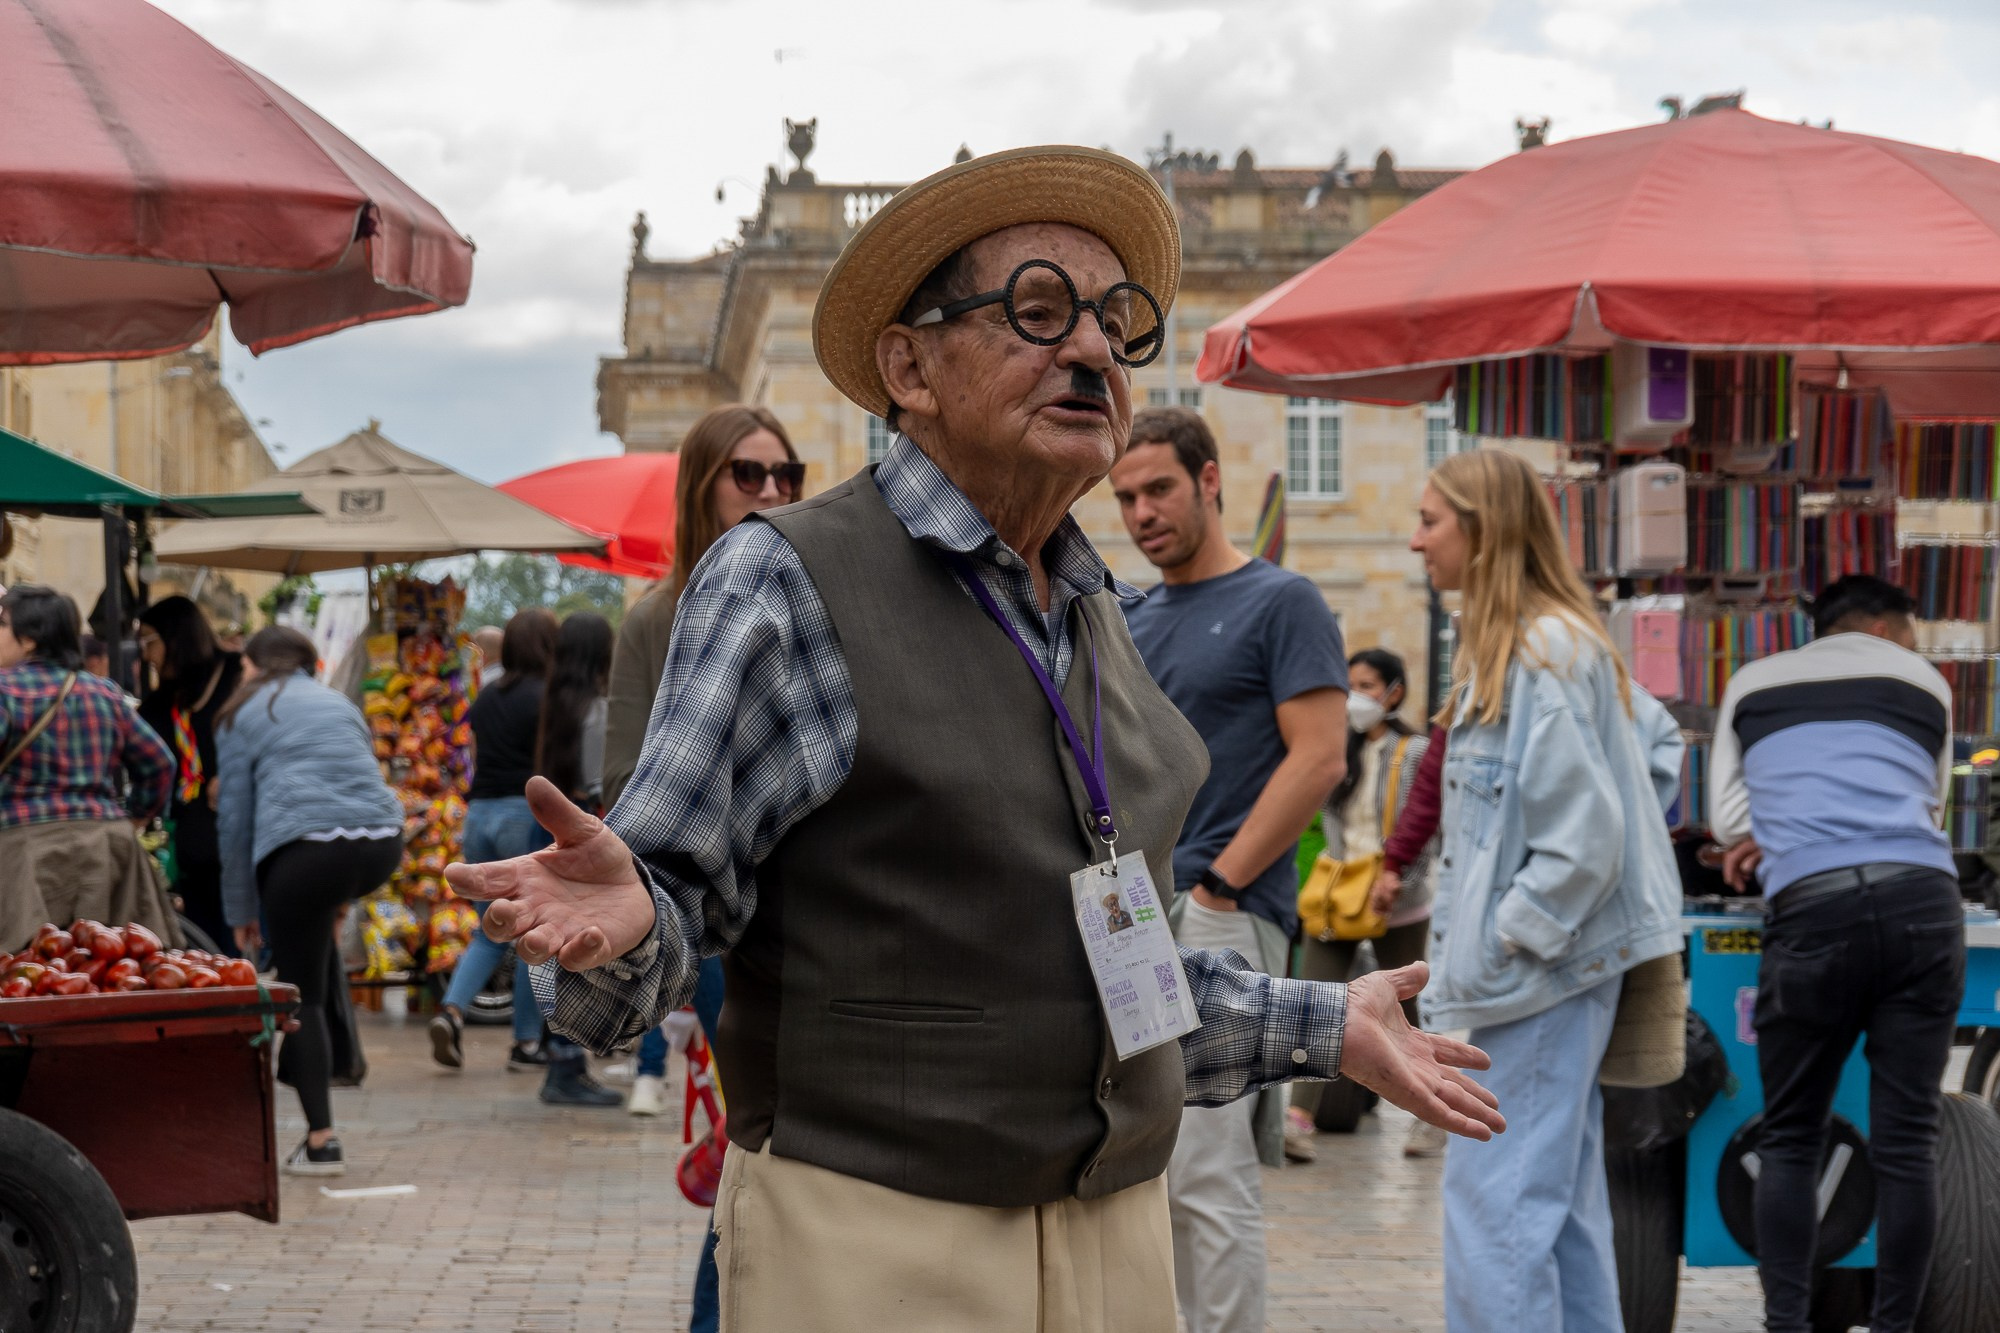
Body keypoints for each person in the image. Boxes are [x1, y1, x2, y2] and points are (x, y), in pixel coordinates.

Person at [446, 145, 1502, 1333]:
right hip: (882, 1241)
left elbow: (1115, 975)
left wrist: (1323, 1023)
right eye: (1038, 311)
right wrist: (617, 926)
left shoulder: (1091, 610)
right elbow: (650, 924)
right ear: (910, 367)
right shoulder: (788, 578)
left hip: (1114, 1239)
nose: (1095, 350)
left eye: (1114, 321)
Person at [1410, 448, 1681, 1333]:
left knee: (1499, 1202)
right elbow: (1656, 752)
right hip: (1557, 969)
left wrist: (1509, 933)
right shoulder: (1559, 641)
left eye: (1431, 520)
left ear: (1481, 532)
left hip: (1541, 973)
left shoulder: (1538, 650)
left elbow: (1586, 837)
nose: (1418, 542)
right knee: (1555, 1205)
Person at [1110, 404, 1348, 1333]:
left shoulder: (1282, 600)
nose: (1141, 512)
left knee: (1210, 1168)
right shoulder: (1125, 613)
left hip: (1219, 905)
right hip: (1129, 909)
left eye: (1160, 488)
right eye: (1126, 495)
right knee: (1142, 1161)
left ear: (1210, 482)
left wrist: (1221, 884)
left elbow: (1319, 756)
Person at [1711, 574, 1963, 1333]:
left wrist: (1782, 826)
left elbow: (1729, 820)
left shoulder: (1753, 681)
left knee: (1790, 1135)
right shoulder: (1925, 681)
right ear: (1886, 631)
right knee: (1907, 1141)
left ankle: (1787, 1325)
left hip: (1813, 907)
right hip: (1924, 902)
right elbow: (1931, 804)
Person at [600, 403, 802, 1332]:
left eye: (786, 475)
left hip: (815, 919)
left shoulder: (809, 603)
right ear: (702, 486)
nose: (772, 492)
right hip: (725, 929)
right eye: (748, 474)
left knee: (800, 1153)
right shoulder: (657, 618)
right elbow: (626, 781)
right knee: (756, 1146)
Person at [216, 627, 402, 1176]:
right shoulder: (338, 702)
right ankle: (329, 1079)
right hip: (381, 844)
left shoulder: (241, 713)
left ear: (253, 665)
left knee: (304, 1000)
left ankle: (322, 1141)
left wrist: (240, 911)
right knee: (313, 965)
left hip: (304, 851)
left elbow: (235, 822)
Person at [1290, 647, 1445, 1162]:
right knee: (1315, 999)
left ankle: (1432, 1116)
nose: (1358, 697)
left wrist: (1398, 881)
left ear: (1395, 692)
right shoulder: (1338, 748)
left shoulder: (1417, 751)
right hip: (1340, 897)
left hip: (1398, 901)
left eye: (1369, 686)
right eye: (1351, 685)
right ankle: (1298, 1117)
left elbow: (1426, 829)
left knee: (1407, 1009)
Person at [0, 585, 177, 950]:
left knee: (25, 975)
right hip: (108, 847)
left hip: (24, 853)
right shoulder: (105, 692)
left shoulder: (5, 691)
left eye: (2, 624)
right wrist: (135, 818)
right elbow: (160, 763)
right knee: (116, 971)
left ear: (30, 639)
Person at [429, 608, 558, 1072]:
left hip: (478, 816)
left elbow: (477, 758)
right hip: (520, 814)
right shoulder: (546, 696)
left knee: (490, 931)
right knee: (528, 932)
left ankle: (452, 1010)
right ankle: (526, 1044)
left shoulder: (485, 698)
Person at [528, 612, 623, 1108]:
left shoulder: (555, 705)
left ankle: (559, 1057)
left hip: (548, 828)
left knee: (554, 943)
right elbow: (601, 781)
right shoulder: (599, 710)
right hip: (585, 827)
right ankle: (566, 1064)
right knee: (580, 951)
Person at [138, 595, 244, 953]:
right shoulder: (159, 702)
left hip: (239, 827)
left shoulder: (236, 673)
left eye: (149, 640)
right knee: (204, 943)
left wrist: (234, 772)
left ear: (175, 638)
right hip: (192, 844)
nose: (144, 653)